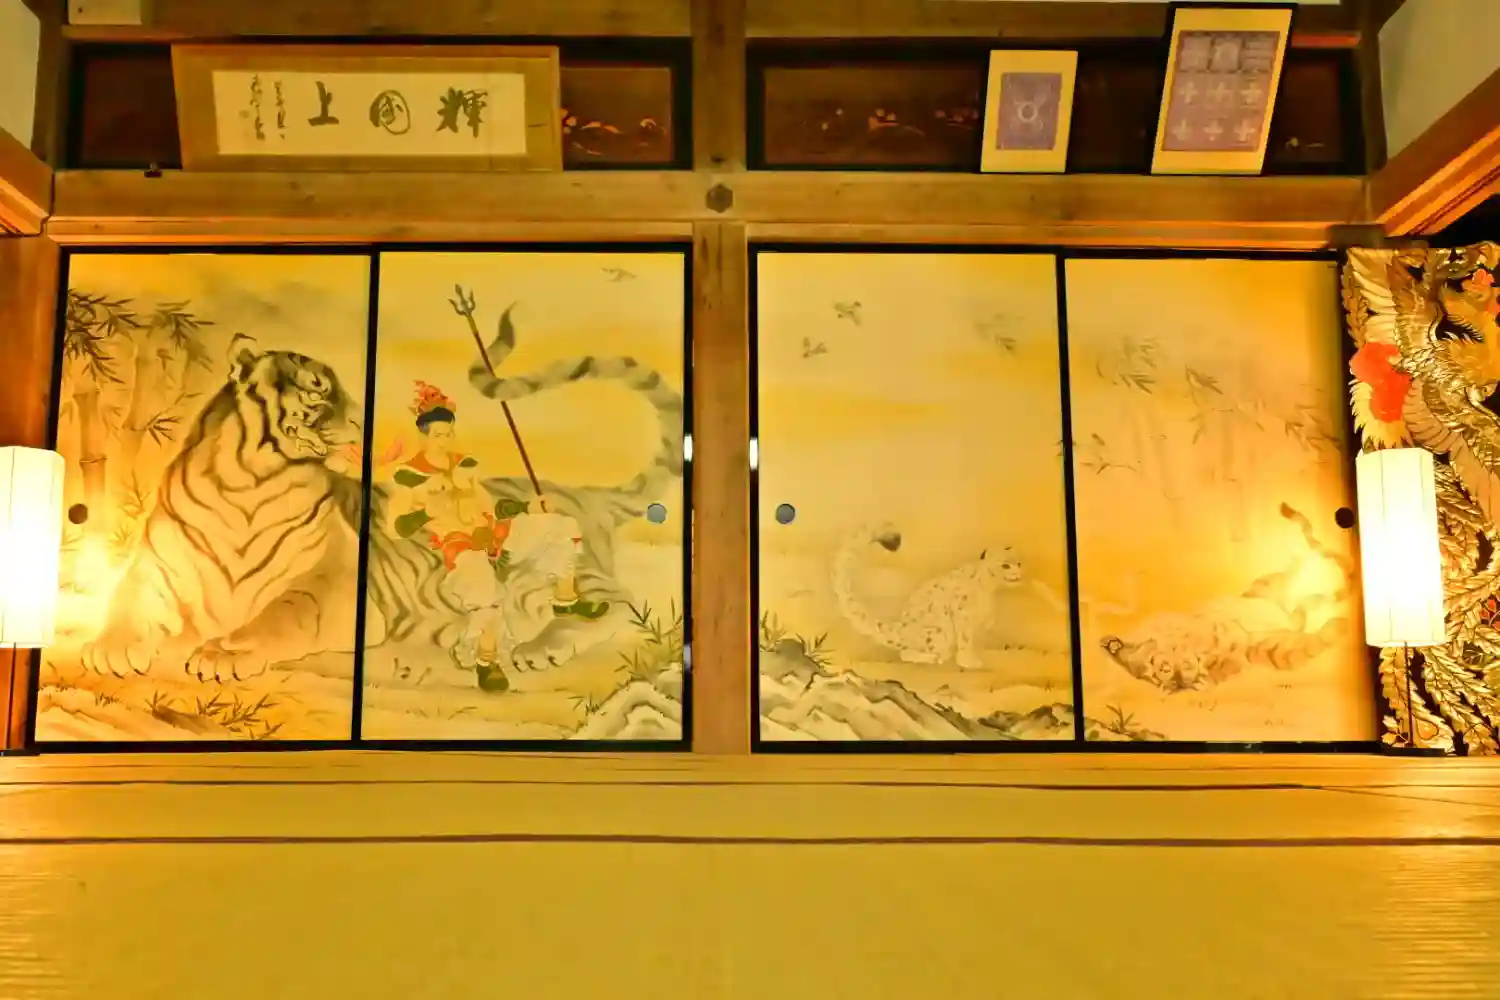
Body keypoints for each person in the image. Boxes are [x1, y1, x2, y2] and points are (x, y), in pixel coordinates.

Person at [386, 381, 608, 682]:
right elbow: (397, 528)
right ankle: (486, 662)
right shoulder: (410, 475)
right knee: (485, 594)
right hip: (460, 546)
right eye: (438, 435)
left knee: (560, 526)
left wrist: (528, 507)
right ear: (424, 435)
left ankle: (565, 599)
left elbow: (490, 507)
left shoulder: (463, 465)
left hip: (495, 534)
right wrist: (427, 512)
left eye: (449, 433)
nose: (445, 440)